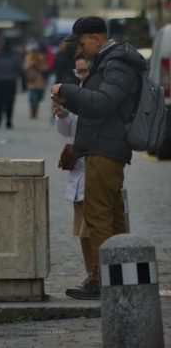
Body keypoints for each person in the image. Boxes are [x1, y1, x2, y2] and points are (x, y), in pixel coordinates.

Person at [51, 15, 146, 301]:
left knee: (98, 215)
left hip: (106, 148)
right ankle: (121, 278)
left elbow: (104, 104)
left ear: (96, 38)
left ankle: (101, 280)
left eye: (81, 42)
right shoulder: (109, 62)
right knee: (113, 217)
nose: (80, 49)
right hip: (102, 145)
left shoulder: (116, 63)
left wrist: (66, 91)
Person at [53, 53, 94, 286]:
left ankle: (97, 274)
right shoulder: (74, 93)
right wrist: (62, 115)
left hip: (94, 166)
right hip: (78, 170)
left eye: (85, 71)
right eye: (78, 72)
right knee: (81, 231)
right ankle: (90, 273)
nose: (81, 76)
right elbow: (68, 131)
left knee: (92, 228)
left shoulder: (97, 94)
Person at [0, 39, 21, 129]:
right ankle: (9, 121)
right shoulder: (13, 57)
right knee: (10, 102)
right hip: (10, 82)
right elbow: (19, 69)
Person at [23, 45, 47, 119]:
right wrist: (30, 64)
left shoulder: (41, 57)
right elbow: (24, 67)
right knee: (32, 97)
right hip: (31, 80)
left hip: (39, 80)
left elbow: (45, 68)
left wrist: (38, 66)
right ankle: (33, 112)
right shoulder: (28, 57)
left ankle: (35, 110)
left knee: (38, 97)